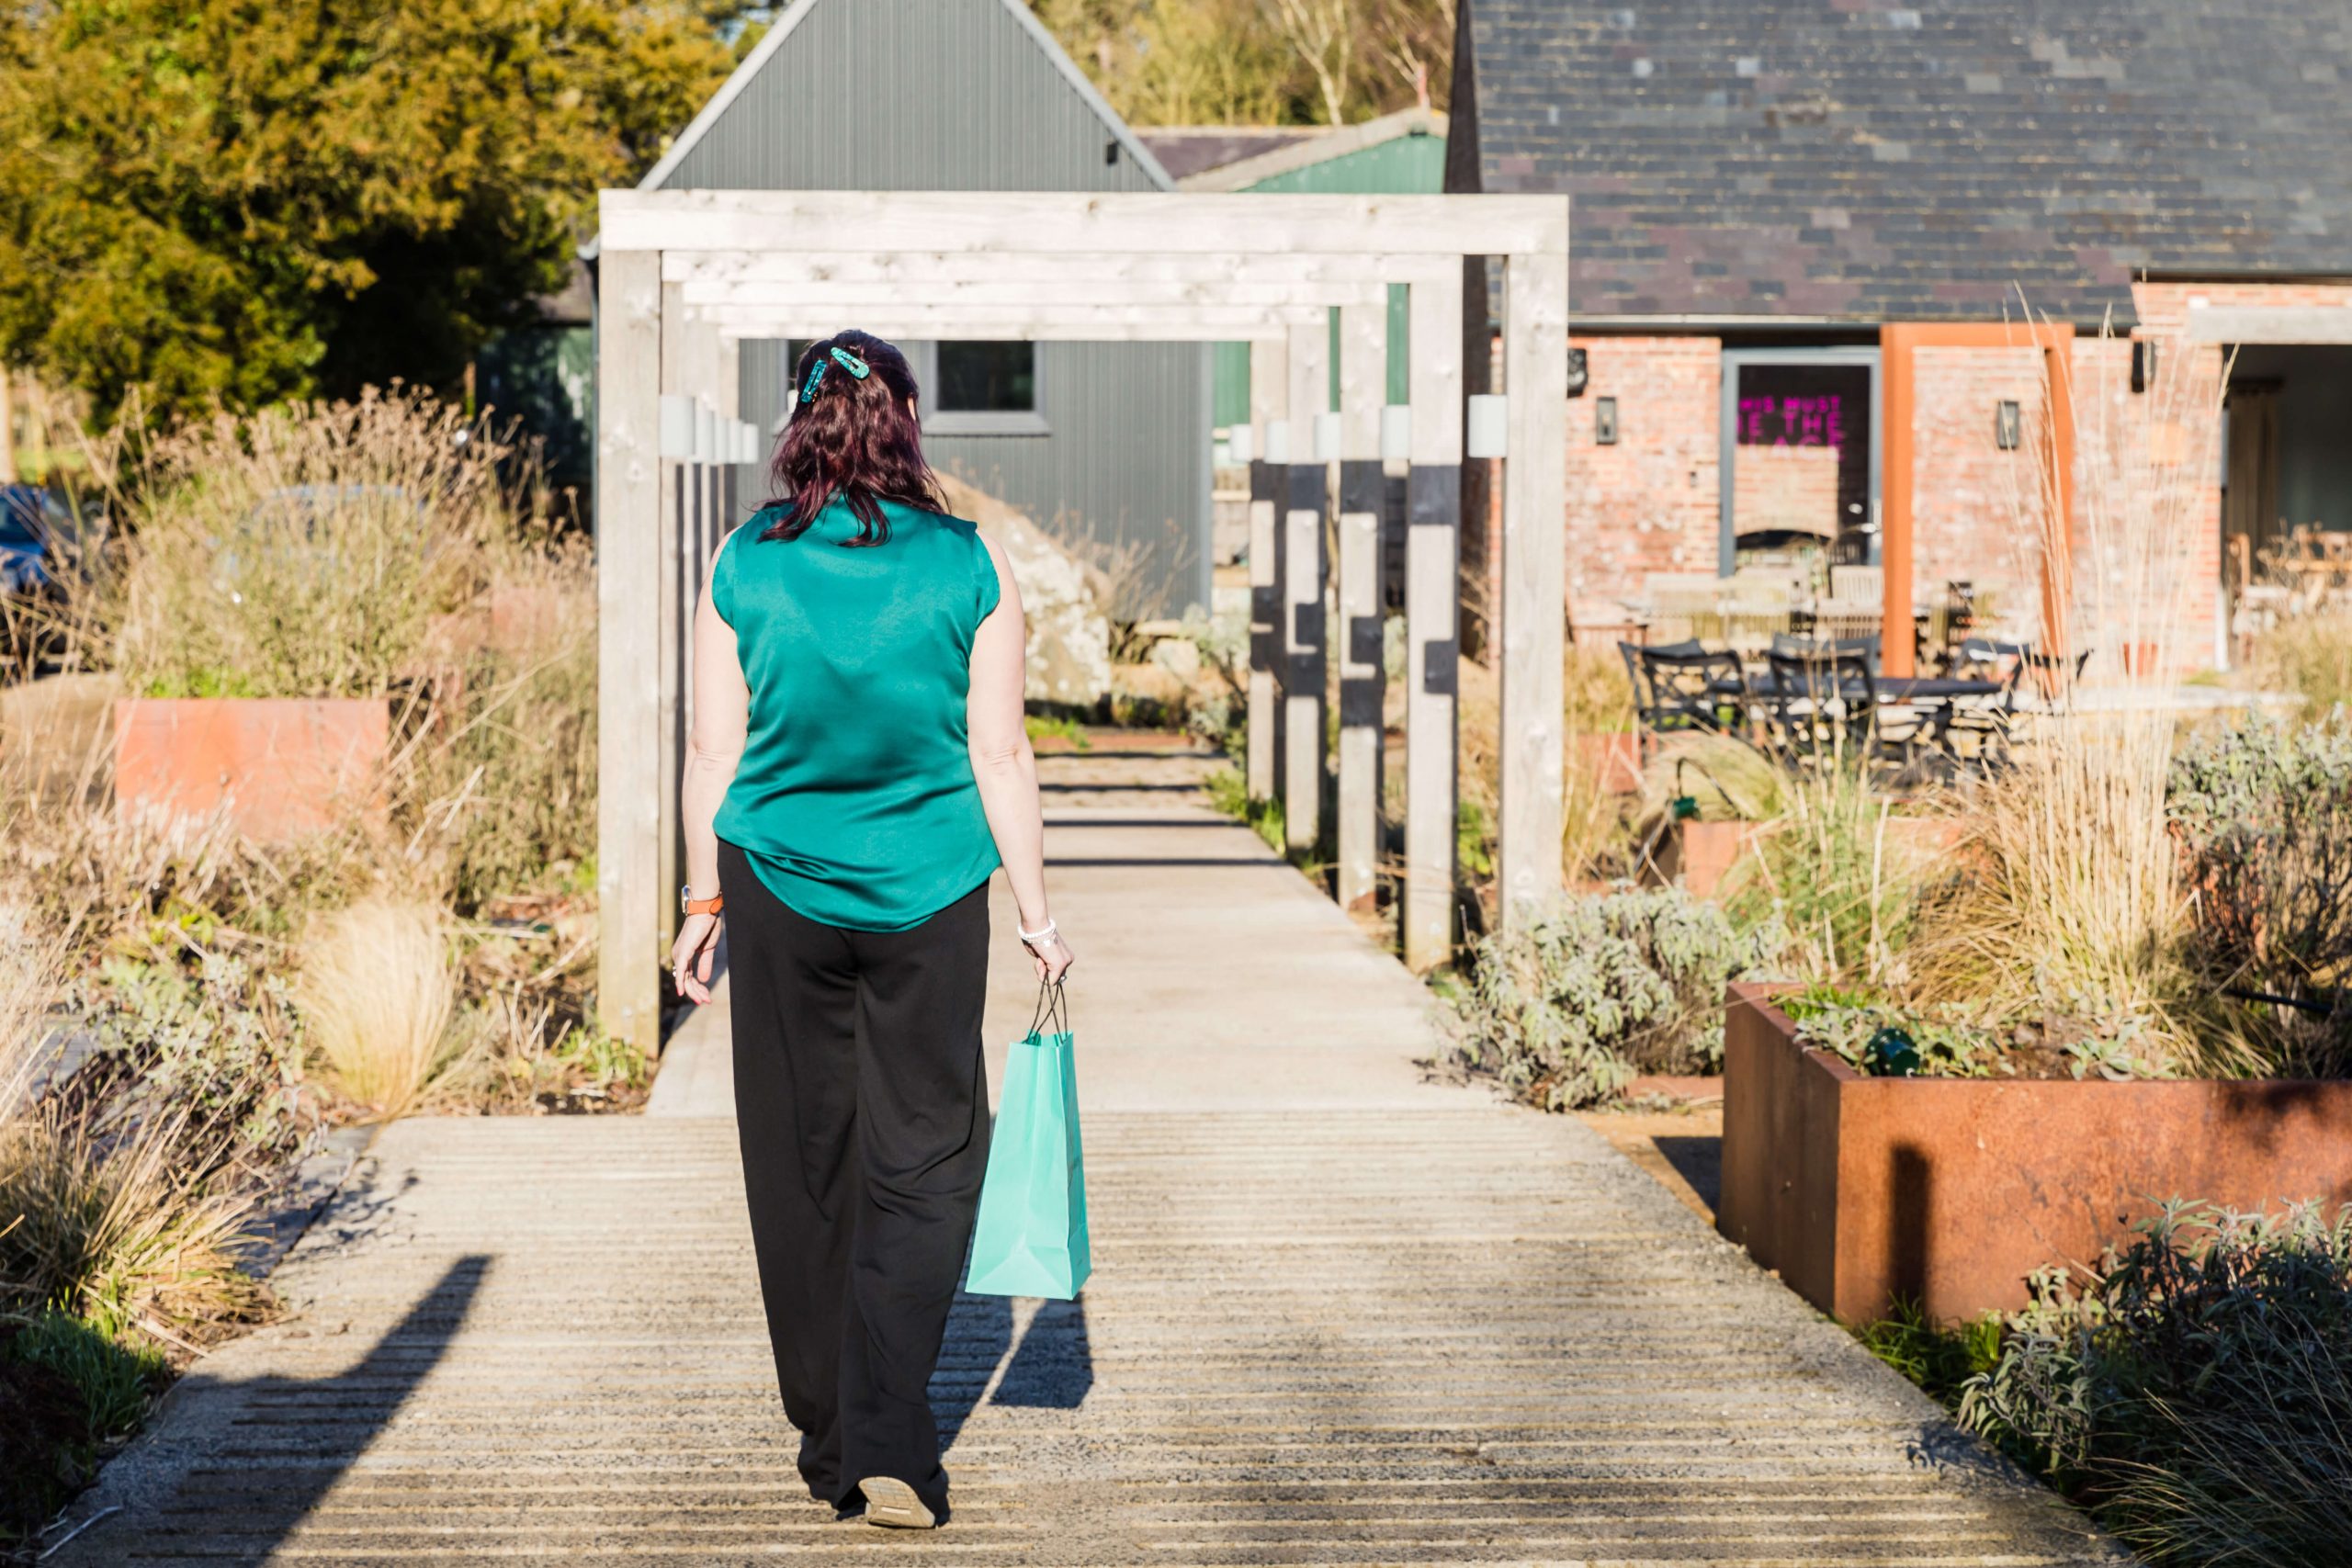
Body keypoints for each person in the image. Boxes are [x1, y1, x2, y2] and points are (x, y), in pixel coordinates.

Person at [667, 330, 1075, 1531]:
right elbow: (999, 752)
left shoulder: (743, 560)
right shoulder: (969, 562)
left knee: (800, 1159)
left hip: (775, 889)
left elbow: (711, 751)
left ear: (799, 425)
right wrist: (1038, 914)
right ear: (906, 421)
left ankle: (828, 1429)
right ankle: (891, 1431)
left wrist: (701, 905)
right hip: (932, 891)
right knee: (931, 1153)